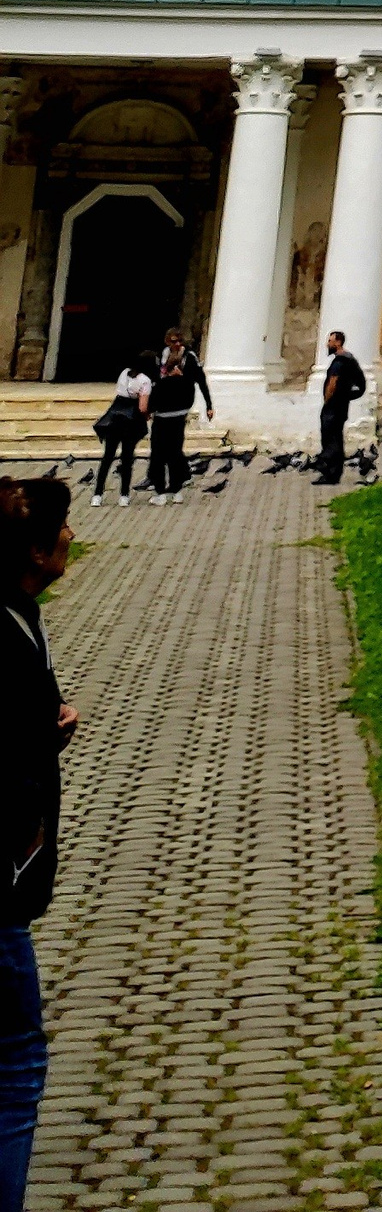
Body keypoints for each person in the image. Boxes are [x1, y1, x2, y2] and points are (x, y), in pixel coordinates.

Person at [0, 475, 77, 1212]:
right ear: (31, 549)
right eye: (60, 529)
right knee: (17, 1064)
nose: (72, 538)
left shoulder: (22, 611)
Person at [145, 333, 209, 501]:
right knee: (160, 452)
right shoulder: (160, 358)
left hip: (178, 411)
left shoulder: (189, 358)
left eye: (180, 341)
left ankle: (174, 489)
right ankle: (161, 488)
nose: (177, 344)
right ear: (167, 342)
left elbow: (199, 380)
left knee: (172, 451)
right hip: (161, 413)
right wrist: (149, 408)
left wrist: (208, 404)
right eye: (174, 342)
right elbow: (155, 384)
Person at [89, 354, 151, 506]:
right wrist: (148, 415)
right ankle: (124, 495)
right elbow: (142, 406)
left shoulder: (124, 373)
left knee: (107, 457)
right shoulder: (145, 380)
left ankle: (97, 495)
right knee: (127, 458)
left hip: (115, 416)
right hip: (131, 420)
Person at [315, 332, 367, 485]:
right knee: (336, 437)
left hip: (334, 406)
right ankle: (335, 473)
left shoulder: (339, 362)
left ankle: (330, 473)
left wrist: (327, 399)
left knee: (330, 438)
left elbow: (333, 382)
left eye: (330, 341)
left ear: (338, 342)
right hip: (342, 405)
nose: (327, 344)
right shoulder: (349, 360)